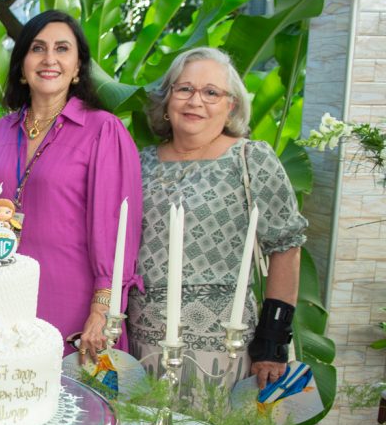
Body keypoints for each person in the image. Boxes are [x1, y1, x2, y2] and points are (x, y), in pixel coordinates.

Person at [127, 46, 307, 392]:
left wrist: (273, 343)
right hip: (142, 345)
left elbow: (287, 247)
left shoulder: (250, 160)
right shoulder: (139, 162)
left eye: (211, 92)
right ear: (167, 101)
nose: (196, 101)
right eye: (184, 89)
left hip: (223, 350)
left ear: (231, 105)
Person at [0, 10, 142, 362]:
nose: (49, 59)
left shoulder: (103, 130)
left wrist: (102, 309)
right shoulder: (0, 132)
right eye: (37, 48)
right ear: (22, 65)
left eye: (62, 49)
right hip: (5, 303)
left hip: (75, 307)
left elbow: (115, 228)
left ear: (77, 67)